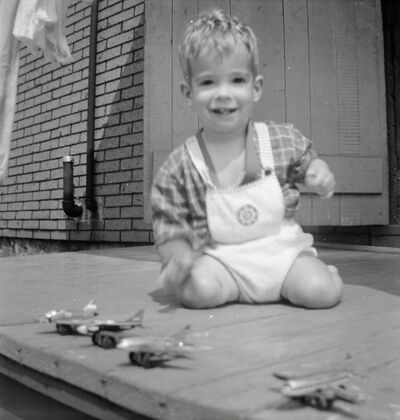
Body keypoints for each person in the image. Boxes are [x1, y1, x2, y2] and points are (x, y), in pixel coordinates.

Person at [151, 9, 343, 309]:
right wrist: (177, 255)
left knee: (320, 292)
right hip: (224, 262)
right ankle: (223, 288)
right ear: (189, 93)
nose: (223, 93)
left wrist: (318, 173)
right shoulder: (180, 167)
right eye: (208, 82)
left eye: (237, 80)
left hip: (283, 256)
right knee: (197, 292)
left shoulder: (278, 140)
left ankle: (327, 275)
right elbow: (169, 222)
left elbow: (307, 162)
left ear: (255, 88)